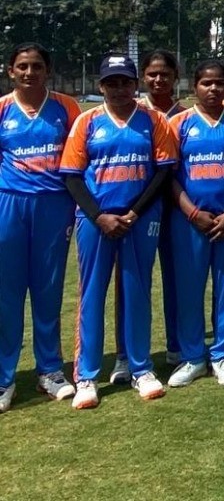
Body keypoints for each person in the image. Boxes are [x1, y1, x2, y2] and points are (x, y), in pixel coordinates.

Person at [60, 53, 178, 409]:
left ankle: (140, 368)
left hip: (139, 218)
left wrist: (133, 213)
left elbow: (162, 171)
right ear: (101, 86)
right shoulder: (87, 121)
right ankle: (86, 377)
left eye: (125, 81)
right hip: (96, 220)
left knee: (138, 290)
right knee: (92, 293)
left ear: (135, 84)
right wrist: (99, 216)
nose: (119, 88)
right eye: (112, 82)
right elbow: (71, 174)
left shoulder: (153, 121)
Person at [0, 42, 81, 412]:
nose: (29, 72)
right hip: (9, 205)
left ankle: (50, 370)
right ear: (10, 70)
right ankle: (4, 378)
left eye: (35, 66)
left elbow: (80, 156)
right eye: (22, 66)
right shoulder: (2, 109)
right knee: (7, 293)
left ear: (46, 70)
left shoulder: (66, 108)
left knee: (48, 291)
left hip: (54, 207)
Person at [166, 60, 224, 388]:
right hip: (190, 222)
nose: (213, 89)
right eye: (206, 83)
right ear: (194, 88)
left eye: (219, 83)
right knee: (189, 289)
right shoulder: (179, 124)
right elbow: (169, 176)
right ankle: (193, 358)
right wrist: (191, 212)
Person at [129, 49, 186, 379]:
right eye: (152, 74)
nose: (158, 79)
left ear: (176, 77)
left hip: (175, 208)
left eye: (165, 74)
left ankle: (177, 345)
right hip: (140, 209)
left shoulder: (184, 115)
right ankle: (127, 352)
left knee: (177, 278)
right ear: (143, 78)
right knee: (134, 279)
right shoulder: (134, 112)